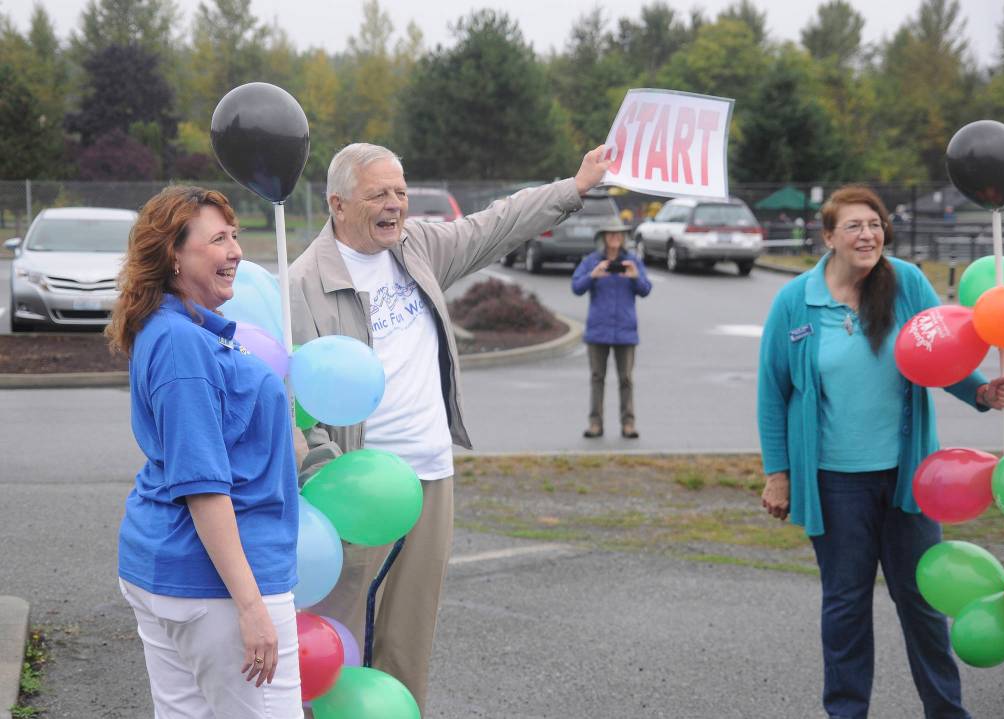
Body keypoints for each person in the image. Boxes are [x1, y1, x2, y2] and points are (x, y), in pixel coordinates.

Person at [290, 142, 611, 713]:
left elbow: (496, 225)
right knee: (342, 643)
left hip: (431, 477)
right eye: (378, 195)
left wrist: (575, 188)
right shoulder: (303, 285)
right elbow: (295, 403)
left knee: (409, 640)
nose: (395, 206)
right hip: (357, 488)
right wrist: (327, 476)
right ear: (337, 204)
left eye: (401, 192)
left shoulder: (417, 248)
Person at [757, 184, 1004, 719]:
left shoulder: (906, 284)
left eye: (874, 224)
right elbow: (773, 391)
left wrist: (980, 392)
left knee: (922, 604)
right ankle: (846, 712)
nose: (868, 234)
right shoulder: (795, 302)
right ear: (828, 237)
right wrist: (778, 474)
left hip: (910, 480)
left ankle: (947, 712)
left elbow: (943, 352)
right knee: (846, 606)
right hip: (834, 483)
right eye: (853, 226)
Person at [108, 187, 302, 719]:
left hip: (175, 571)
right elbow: (202, 484)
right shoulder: (181, 344)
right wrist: (251, 606)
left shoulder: (185, 329)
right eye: (219, 239)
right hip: (214, 582)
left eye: (235, 236)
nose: (237, 250)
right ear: (174, 254)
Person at [571, 223, 652, 439]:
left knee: (626, 379)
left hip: (625, 330)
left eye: (619, 234)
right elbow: (576, 287)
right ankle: (595, 424)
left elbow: (646, 290)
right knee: (597, 378)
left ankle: (628, 424)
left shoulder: (632, 261)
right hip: (598, 330)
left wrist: (635, 277)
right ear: (604, 237)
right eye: (611, 233)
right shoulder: (591, 261)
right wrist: (593, 275)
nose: (615, 237)